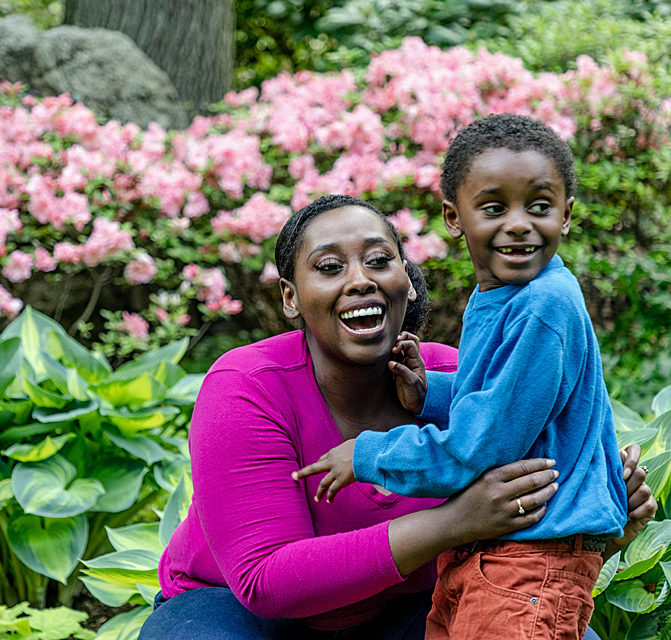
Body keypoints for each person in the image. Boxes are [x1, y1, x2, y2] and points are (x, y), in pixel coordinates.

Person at [139, 193, 655, 640]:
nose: (360, 280)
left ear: (406, 282)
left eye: (379, 260)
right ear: (291, 298)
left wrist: (604, 522)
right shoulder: (249, 387)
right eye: (329, 267)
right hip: (235, 613)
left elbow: (527, 560)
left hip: (404, 611)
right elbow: (267, 580)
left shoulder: (468, 385)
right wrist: (454, 522)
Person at [293, 115, 631, 639]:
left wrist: (366, 454)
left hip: (531, 560)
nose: (518, 224)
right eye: (494, 208)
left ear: (566, 216)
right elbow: (511, 401)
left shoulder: (543, 305)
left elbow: (481, 448)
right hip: (496, 553)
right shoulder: (502, 295)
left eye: (539, 207)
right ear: (455, 217)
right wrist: (431, 393)